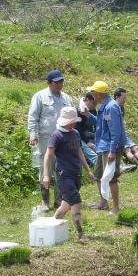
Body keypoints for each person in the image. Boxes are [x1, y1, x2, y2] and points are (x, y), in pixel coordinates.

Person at [43, 107, 95, 241]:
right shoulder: (57, 135)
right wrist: (46, 175)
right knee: (76, 201)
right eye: (74, 121)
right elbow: (48, 155)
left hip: (76, 174)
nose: (76, 123)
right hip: (64, 175)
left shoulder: (75, 133)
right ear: (68, 121)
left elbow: (79, 152)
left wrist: (88, 170)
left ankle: (50, 229)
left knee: (65, 205)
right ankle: (80, 234)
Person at [28, 69, 72, 211]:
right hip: (46, 138)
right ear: (49, 83)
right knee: (44, 168)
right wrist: (32, 133)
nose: (60, 84)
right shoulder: (40, 96)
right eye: (56, 82)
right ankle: (45, 202)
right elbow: (33, 116)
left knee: (61, 169)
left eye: (61, 81)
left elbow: (72, 116)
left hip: (63, 137)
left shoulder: (66, 98)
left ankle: (59, 201)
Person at [89, 81, 128, 215]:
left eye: (93, 92)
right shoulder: (104, 107)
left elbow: (115, 131)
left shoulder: (111, 107)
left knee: (111, 177)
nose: (92, 94)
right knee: (99, 175)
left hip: (109, 148)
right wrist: (88, 116)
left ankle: (116, 207)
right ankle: (103, 202)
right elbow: (102, 124)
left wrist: (112, 150)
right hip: (102, 146)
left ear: (99, 94)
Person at [114, 88, 138, 166]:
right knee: (127, 150)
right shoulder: (112, 108)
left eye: (125, 98)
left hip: (123, 133)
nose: (125, 100)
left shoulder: (121, 107)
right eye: (123, 98)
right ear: (116, 97)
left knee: (135, 148)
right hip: (117, 135)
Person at [76, 92, 98, 166]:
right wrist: (88, 142)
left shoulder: (93, 110)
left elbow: (96, 125)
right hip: (79, 136)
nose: (95, 106)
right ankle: (99, 164)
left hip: (89, 134)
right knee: (89, 148)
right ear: (87, 100)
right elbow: (78, 130)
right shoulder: (79, 111)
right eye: (94, 103)